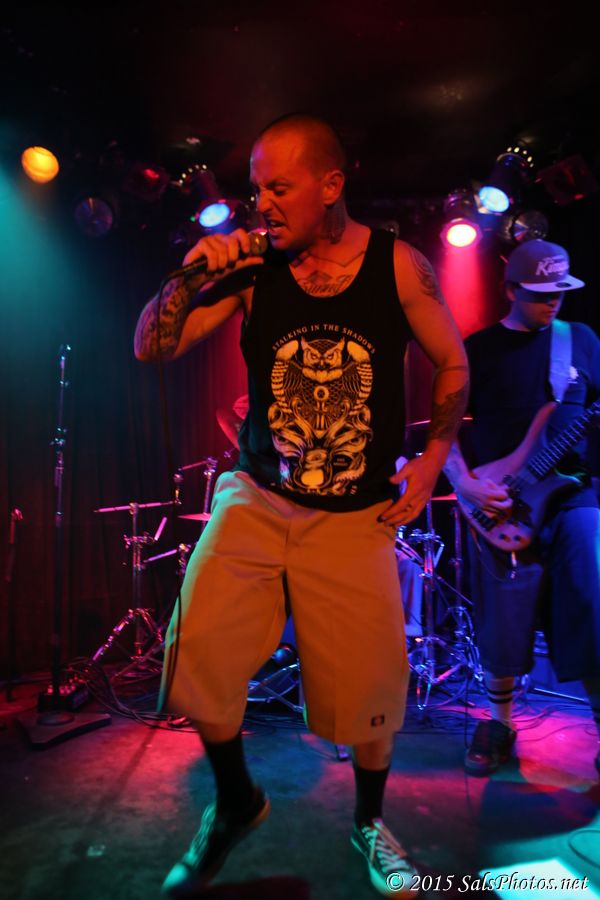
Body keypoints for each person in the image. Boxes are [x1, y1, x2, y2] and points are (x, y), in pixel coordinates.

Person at [134, 113, 468, 897]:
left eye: (279, 188)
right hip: (257, 495)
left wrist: (432, 461)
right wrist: (190, 274)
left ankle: (369, 822)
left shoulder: (397, 266)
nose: (263, 205)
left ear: (331, 185)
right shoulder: (255, 271)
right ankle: (235, 801)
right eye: (257, 191)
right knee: (194, 658)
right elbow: (152, 346)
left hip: (355, 513)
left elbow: (452, 360)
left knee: (372, 692)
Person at [444, 238, 600, 777]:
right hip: (499, 503)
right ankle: (500, 724)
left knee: (590, 600)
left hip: (572, 494)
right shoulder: (479, 349)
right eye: (538, 293)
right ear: (510, 289)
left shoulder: (580, 340)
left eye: (559, 292)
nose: (551, 302)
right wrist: (464, 484)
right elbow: (441, 431)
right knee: (504, 615)